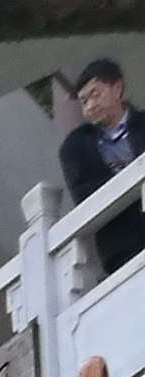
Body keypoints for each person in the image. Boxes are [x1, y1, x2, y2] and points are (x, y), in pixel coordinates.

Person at [63, 57, 145, 277]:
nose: (90, 106)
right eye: (83, 101)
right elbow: (84, 194)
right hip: (121, 247)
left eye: (95, 94)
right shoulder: (75, 148)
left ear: (117, 87)